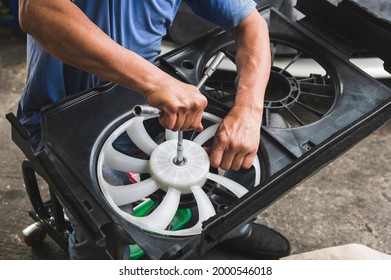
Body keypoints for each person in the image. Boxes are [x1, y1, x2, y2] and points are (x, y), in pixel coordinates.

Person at [17, 0, 290, 259]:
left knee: (258, 146)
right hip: (63, 119)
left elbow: (251, 24)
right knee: (108, 231)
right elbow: (36, 10)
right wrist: (155, 81)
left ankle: (229, 228)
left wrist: (248, 113)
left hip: (142, 108)